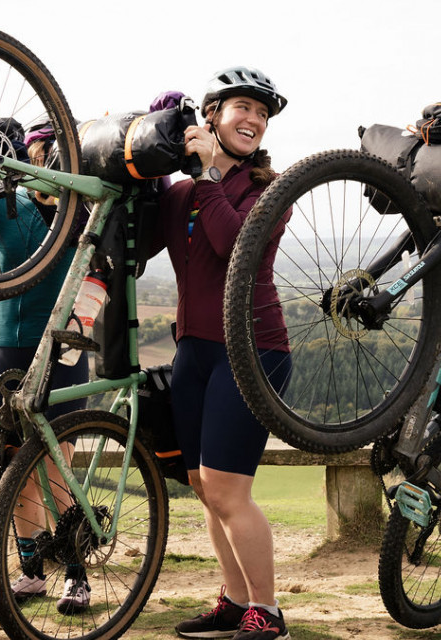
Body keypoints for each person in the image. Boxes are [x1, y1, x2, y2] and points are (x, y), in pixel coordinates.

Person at [150, 67, 293, 640]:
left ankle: (269, 611)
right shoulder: (184, 191)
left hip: (253, 351)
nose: (253, 119)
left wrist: (207, 173)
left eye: (261, 113)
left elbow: (233, 245)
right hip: (194, 352)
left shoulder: (272, 190)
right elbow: (134, 247)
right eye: (242, 107)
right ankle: (235, 602)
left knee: (230, 489)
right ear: (210, 116)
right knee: (207, 491)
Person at [0, 124, 92, 614]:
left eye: (57, 153)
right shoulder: (3, 203)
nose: (48, 160)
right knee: (16, 467)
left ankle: (76, 574)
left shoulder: (81, 207)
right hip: (7, 346)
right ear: (23, 155)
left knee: (58, 466)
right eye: (40, 150)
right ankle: (32, 570)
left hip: (64, 350)